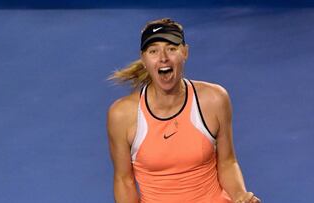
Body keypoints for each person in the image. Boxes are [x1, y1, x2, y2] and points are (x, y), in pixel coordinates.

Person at [107, 18, 261, 203]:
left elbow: (227, 162)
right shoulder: (122, 114)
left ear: (185, 52)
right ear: (144, 59)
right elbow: (124, 181)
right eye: (153, 51)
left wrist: (240, 196)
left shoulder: (214, 99)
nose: (163, 57)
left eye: (171, 48)